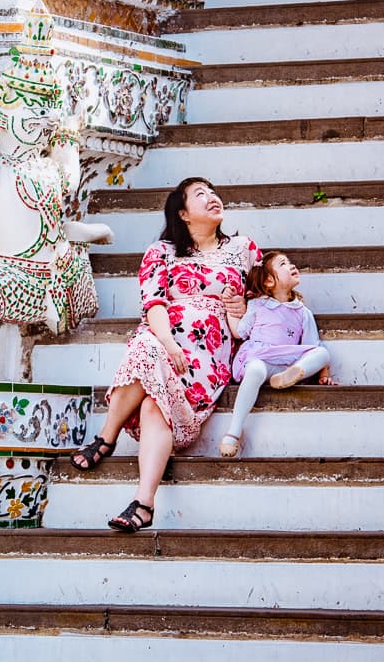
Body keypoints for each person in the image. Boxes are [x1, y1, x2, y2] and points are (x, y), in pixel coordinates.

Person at [70, 177, 260, 532]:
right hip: (166, 339)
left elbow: (265, 294)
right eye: (200, 195)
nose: (213, 198)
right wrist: (170, 345)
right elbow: (153, 304)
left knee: (154, 406)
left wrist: (243, 303)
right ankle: (108, 437)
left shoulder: (244, 249)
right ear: (184, 213)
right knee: (145, 345)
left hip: (207, 355)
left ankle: (143, 503)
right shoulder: (161, 252)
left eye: (214, 192)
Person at [219, 250, 334, 459]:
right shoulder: (257, 305)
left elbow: (311, 345)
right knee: (254, 369)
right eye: (283, 264)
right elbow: (239, 332)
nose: (291, 265)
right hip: (260, 358)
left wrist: (323, 373)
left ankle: (290, 375)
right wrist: (229, 310)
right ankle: (233, 432)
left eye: (290, 262)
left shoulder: (302, 312)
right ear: (269, 282)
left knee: (322, 352)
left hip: (286, 364)